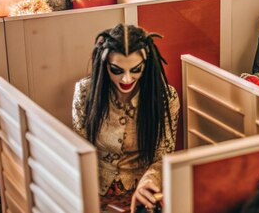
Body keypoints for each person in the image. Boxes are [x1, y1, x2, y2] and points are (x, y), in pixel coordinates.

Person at [72, 24, 179, 212]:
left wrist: (150, 181)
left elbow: (163, 156)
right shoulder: (85, 92)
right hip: (94, 189)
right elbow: (79, 148)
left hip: (141, 192)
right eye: (117, 70)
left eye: (136, 70)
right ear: (105, 65)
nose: (127, 79)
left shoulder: (165, 98)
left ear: (146, 65)